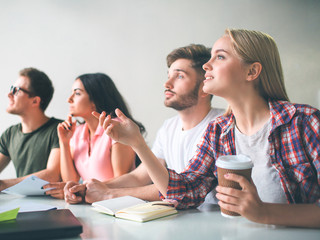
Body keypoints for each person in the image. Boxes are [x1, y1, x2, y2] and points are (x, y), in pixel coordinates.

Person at [95, 29, 320, 228]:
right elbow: (184, 192)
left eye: (220, 57)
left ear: (252, 72)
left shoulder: (304, 122)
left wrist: (265, 212)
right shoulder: (218, 131)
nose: (206, 65)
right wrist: (137, 143)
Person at [64, 44, 224, 204]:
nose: (167, 83)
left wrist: (109, 193)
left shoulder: (221, 126)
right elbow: (139, 176)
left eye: (179, 76)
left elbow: (175, 188)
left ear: (205, 87)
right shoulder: (169, 127)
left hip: (209, 218)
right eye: (168, 75)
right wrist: (89, 187)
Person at [0, 67, 64, 198]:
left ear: (35, 101)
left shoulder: (60, 129)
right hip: (24, 205)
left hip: (56, 206)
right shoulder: (10, 133)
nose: (8, 94)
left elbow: (52, 175)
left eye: (16, 90)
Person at [55, 73, 145, 184]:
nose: (69, 99)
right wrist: (64, 143)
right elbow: (70, 181)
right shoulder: (77, 132)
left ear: (94, 100)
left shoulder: (117, 127)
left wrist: (85, 191)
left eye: (77, 93)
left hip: (115, 199)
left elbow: (122, 183)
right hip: (90, 199)